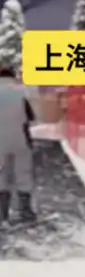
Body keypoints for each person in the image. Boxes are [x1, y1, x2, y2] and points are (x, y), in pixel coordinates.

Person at [0, 67, 36, 224]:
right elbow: (30, 117)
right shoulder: (21, 91)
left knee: (2, 175)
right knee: (23, 173)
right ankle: (26, 212)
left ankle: (2, 214)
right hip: (21, 139)